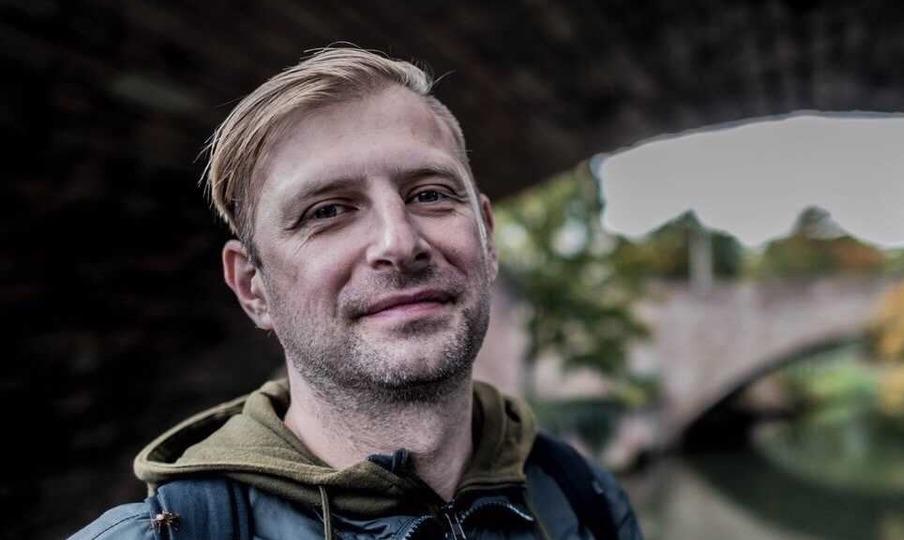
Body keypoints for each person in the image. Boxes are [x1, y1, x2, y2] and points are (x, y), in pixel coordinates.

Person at [71, 47, 643, 540]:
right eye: (327, 211)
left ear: (487, 238)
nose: (400, 242)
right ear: (252, 286)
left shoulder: (583, 499)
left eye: (430, 194)